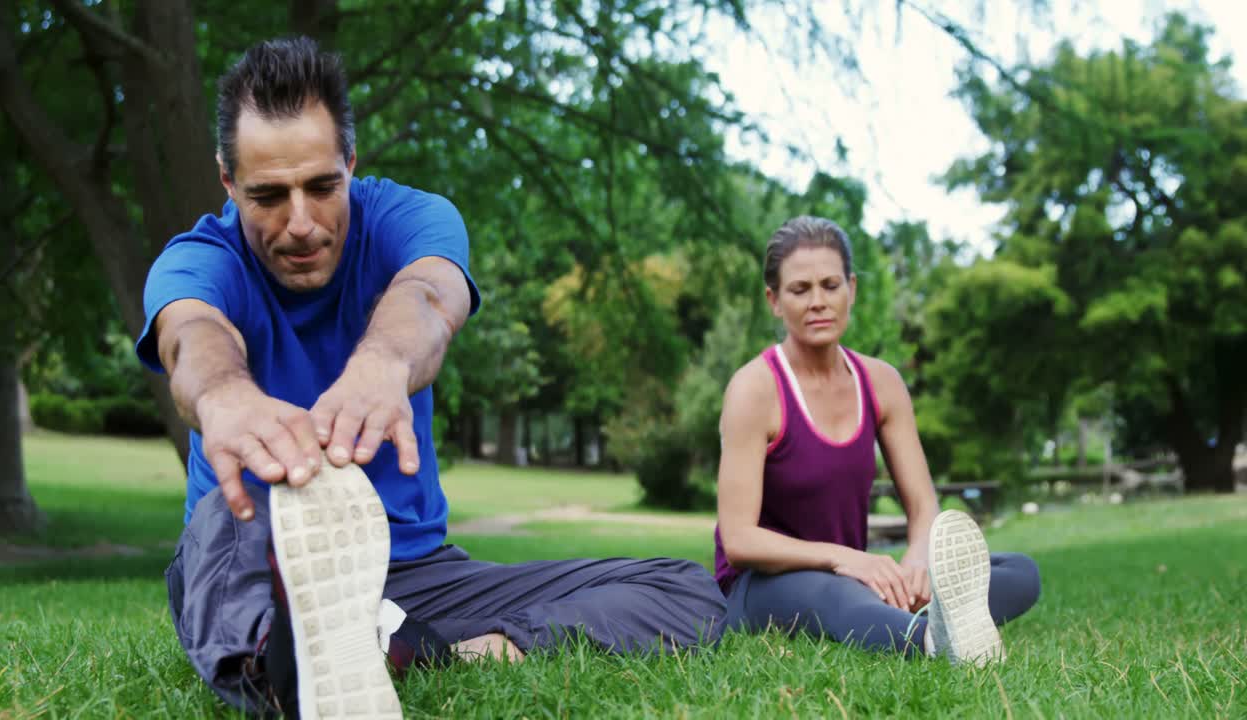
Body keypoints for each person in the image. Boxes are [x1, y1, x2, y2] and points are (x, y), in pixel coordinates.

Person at [137, 37, 725, 718]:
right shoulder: (197, 259)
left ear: (351, 164)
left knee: (685, 590)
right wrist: (224, 396)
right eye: (268, 195)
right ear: (227, 181)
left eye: (322, 187)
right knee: (227, 521)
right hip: (256, 558)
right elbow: (191, 332)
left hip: (413, 572)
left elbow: (429, 294)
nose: (300, 224)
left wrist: (383, 364)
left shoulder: (412, 219)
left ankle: (428, 648)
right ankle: (285, 660)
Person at [713, 216, 1040, 663]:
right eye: (799, 290)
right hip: (764, 585)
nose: (818, 302)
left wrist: (918, 562)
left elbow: (923, 506)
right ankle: (929, 640)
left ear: (851, 289)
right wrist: (842, 558)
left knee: (1019, 571)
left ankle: (920, 615)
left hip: (854, 574)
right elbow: (739, 541)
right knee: (835, 595)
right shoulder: (754, 389)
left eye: (830, 285)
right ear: (774, 301)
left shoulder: (881, 382)